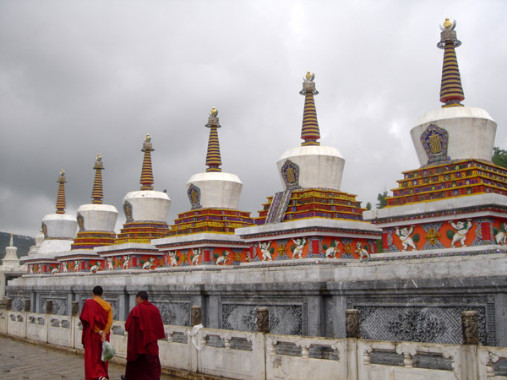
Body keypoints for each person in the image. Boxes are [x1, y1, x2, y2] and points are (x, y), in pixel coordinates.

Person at [122, 291, 165, 380]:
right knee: (152, 363)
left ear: (139, 298)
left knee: (136, 364)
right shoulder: (155, 309)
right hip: (150, 343)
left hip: (138, 344)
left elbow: (128, 326)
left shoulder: (136, 310)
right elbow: (158, 326)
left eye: (136, 299)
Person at [79, 285, 113, 380]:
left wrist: (98, 331)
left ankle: (94, 376)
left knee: (92, 356)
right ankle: (102, 375)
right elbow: (110, 321)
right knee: (102, 355)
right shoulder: (108, 305)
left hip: (92, 334)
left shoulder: (89, 303)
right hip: (104, 336)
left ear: (93, 293)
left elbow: (86, 320)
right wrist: (104, 333)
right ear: (102, 294)